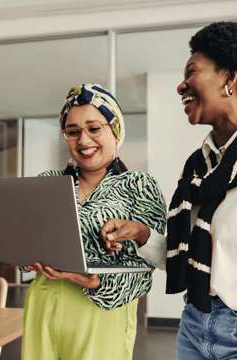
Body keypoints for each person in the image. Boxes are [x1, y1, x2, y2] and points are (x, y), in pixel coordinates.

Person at [101, 22, 237, 359]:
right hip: (195, 329)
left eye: (191, 72)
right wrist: (142, 236)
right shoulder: (199, 168)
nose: (181, 85)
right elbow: (197, 258)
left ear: (229, 77)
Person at [21, 84, 166, 360]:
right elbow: (25, 244)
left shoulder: (139, 186)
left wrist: (95, 282)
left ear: (116, 131)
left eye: (94, 128)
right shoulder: (48, 181)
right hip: (44, 303)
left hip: (101, 313)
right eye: (73, 132)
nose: (83, 140)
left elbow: (146, 270)